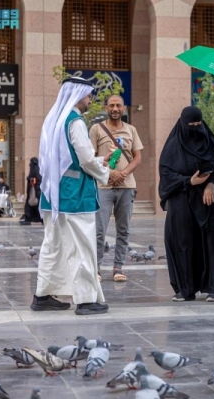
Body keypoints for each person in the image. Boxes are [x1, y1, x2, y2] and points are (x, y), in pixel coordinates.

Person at [31, 76, 112, 316]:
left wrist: (98, 162)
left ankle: (42, 295)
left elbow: (65, 160)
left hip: (53, 193)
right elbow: (85, 159)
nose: (90, 100)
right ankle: (86, 300)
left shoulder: (53, 118)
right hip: (76, 196)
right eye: (88, 95)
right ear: (78, 95)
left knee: (52, 245)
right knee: (82, 246)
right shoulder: (75, 121)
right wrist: (105, 171)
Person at [159, 106, 214, 302]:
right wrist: (189, 182)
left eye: (198, 124)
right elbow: (167, 175)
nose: (195, 129)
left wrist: (211, 183)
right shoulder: (173, 146)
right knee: (182, 243)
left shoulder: (210, 143)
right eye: (190, 125)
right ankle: (186, 289)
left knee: (212, 243)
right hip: (182, 201)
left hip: (208, 203)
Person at [90, 95, 143, 282]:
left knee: (124, 229)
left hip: (127, 186)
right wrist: (109, 173)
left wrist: (124, 173)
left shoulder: (131, 130)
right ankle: (95, 269)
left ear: (124, 108)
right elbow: (90, 158)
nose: (115, 108)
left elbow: (137, 157)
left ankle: (118, 268)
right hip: (103, 186)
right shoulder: (96, 129)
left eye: (118, 105)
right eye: (111, 105)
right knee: (99, 229)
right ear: (106, 108)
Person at [20, 157, 43, 225]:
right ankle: (29, 219)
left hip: (35, 192)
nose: (30, 164)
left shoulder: (36, 170)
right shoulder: (36, 169)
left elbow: (37, 179)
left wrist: (30, 179)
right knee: (32, 206)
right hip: (33, 192)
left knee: (32, 206)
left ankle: (30, 219)